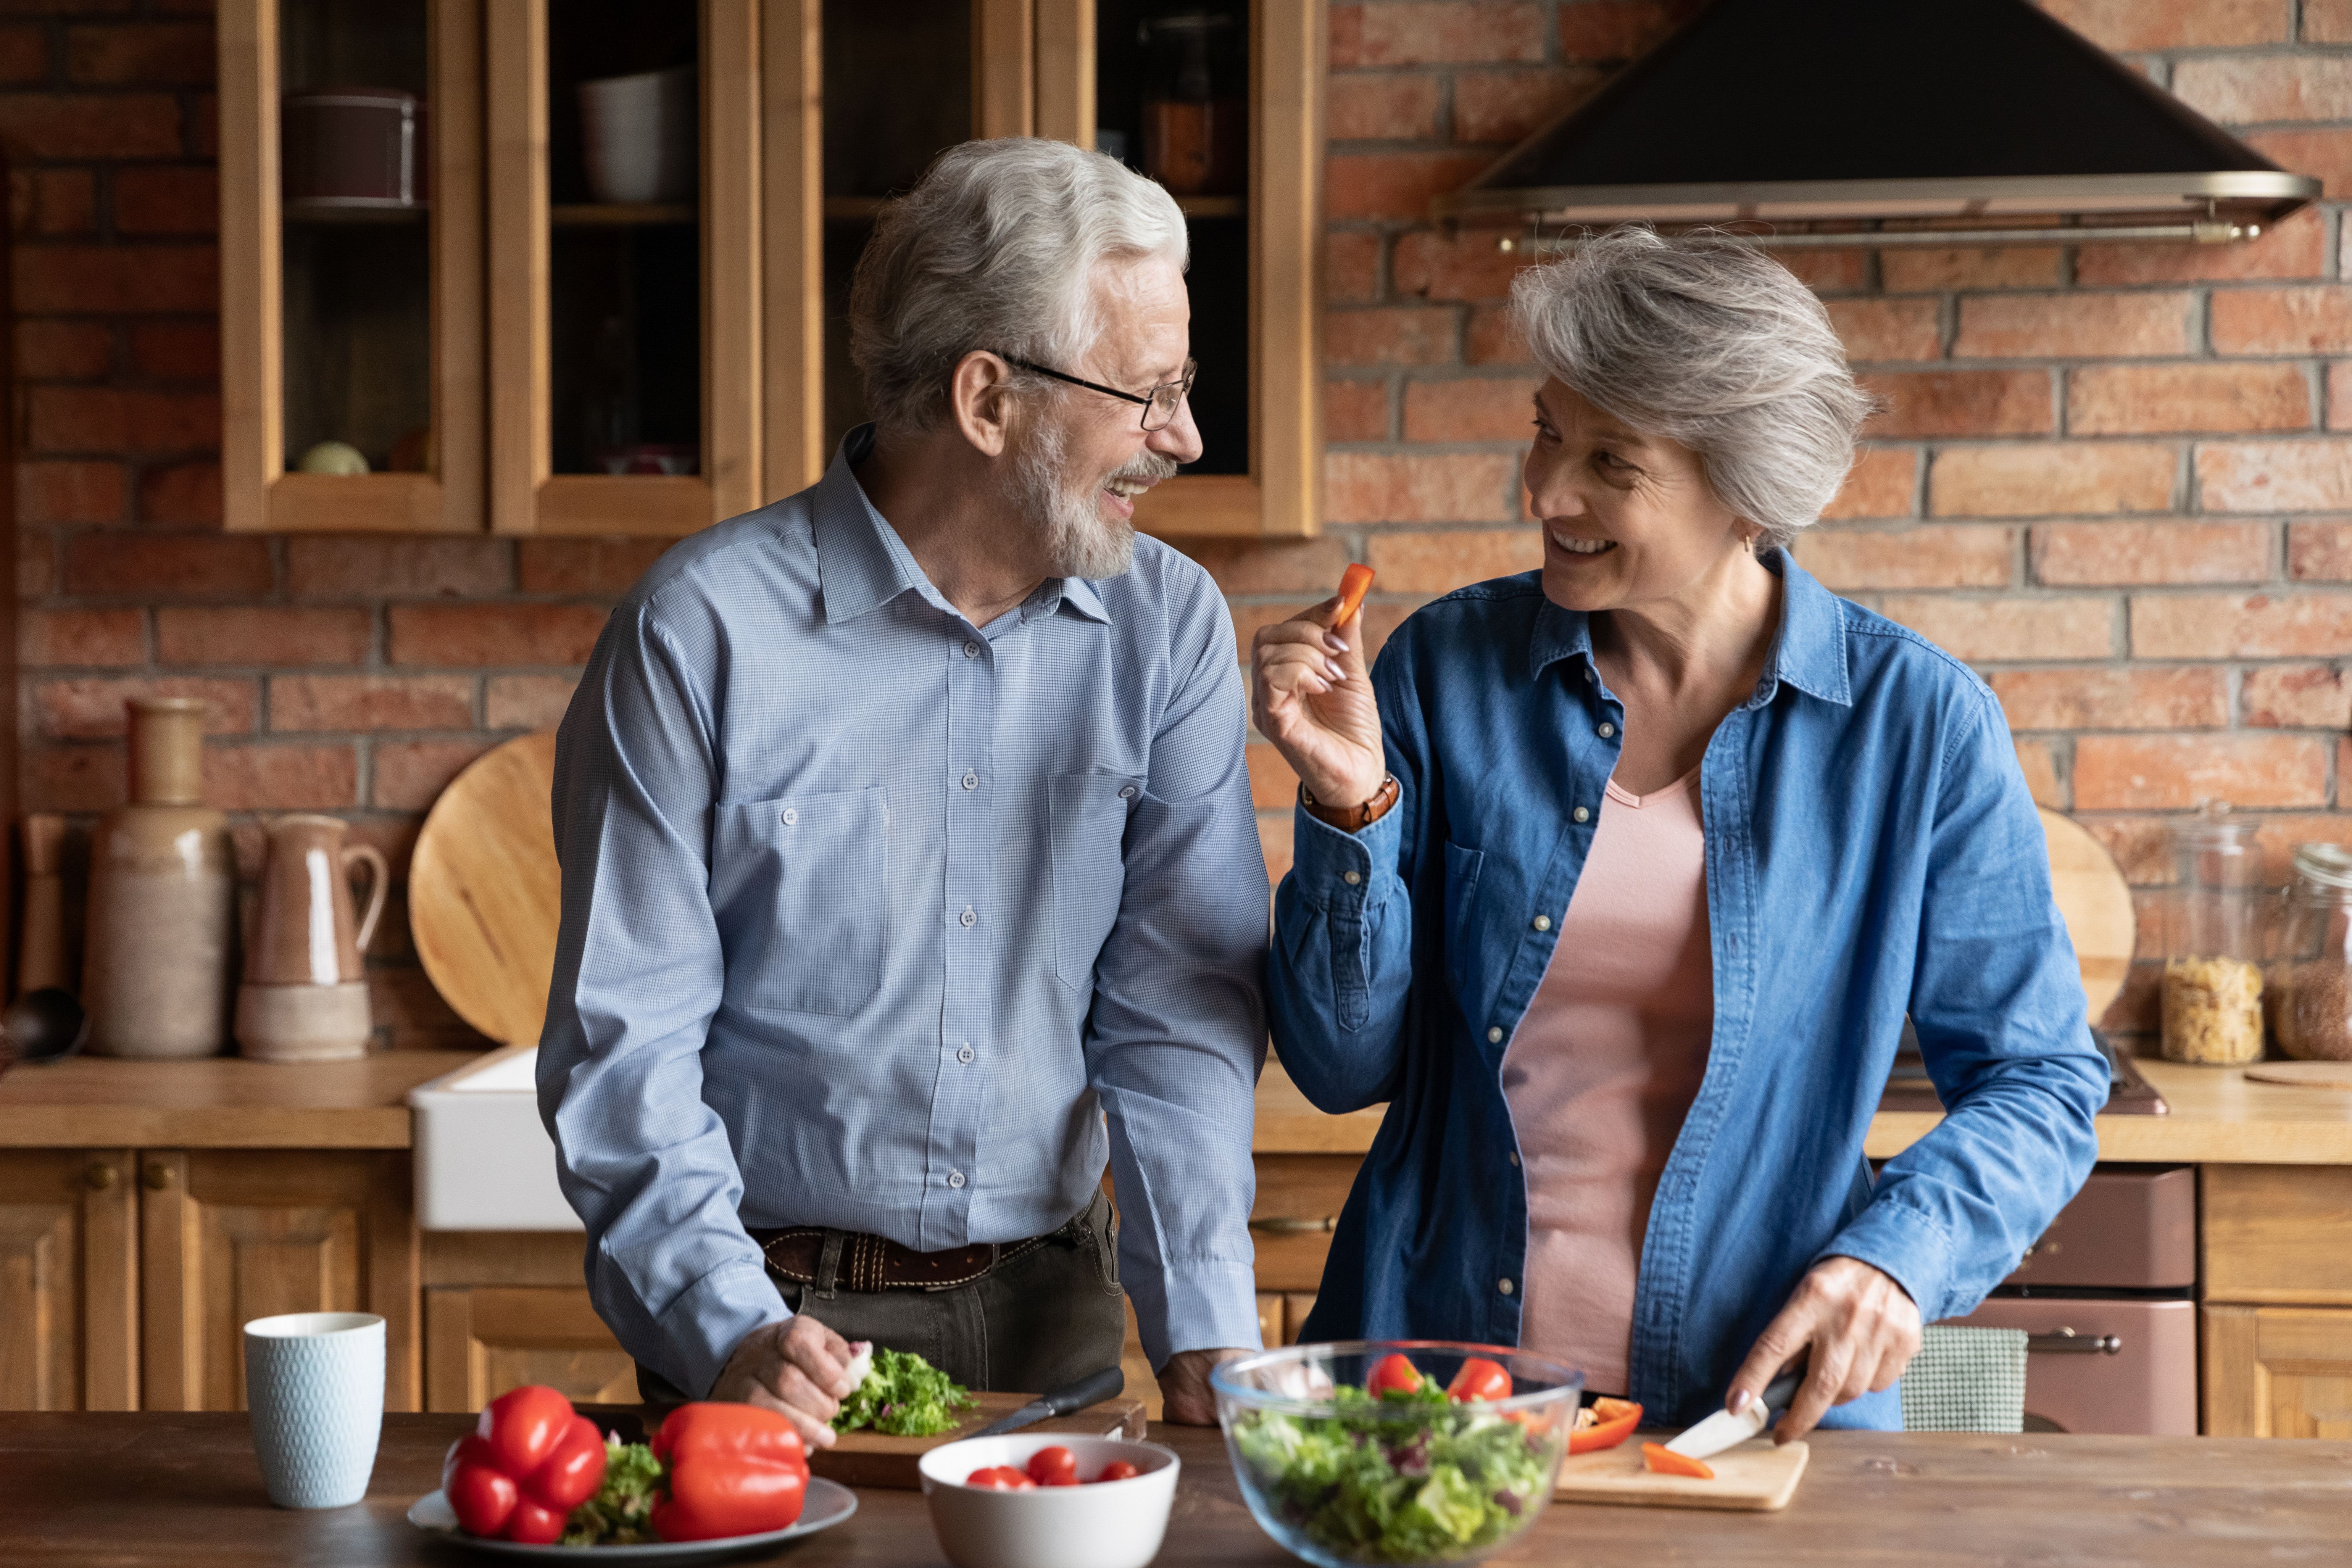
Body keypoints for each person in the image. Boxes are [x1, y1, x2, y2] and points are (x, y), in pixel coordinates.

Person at [1253, 227, 2105, 1439]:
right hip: (1439, 1395)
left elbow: (2039, 1077)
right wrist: (1349, 806)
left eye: (1612, 461)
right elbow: (1340, 1071)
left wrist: (1898, 1259)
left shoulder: (1915, 724)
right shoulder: (1445, 670)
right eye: (1547, 431)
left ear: (1744, 490)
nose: (1547, 491)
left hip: (1754, 1412)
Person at [538, 138, 1267, 1449]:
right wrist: (727, 1326)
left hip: (1054, 1312)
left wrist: (1204, 1321)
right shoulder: (698, 632)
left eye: (1185, 387)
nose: (1183, 438)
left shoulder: (1168, 630)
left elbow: (1173, 1010)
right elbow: (625, 1043)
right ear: (988, 400)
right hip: (771, 1323)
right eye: (1148, 394)